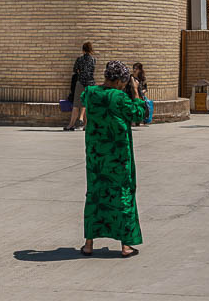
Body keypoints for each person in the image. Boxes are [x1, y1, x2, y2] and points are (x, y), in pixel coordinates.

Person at [80, 60, 149, 258]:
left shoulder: (91, 93)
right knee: (122, 194)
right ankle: (126, 246)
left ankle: (88, 244)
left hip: (96, 155)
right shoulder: (119, 97)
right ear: (120, 80)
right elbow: (139, 113)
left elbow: (85, 101)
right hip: (118, 156)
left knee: (95, 193)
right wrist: (136, 92)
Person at [64, 42, 96, 132]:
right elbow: (92, 70)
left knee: (76, 104)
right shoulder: (93, 60)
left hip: (81, 82)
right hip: (90, 83)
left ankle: (71, 125)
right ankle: (86, 125)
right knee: (87, 104)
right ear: (91, 50)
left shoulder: (79, 59)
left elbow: (75, 70)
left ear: (83, 50)